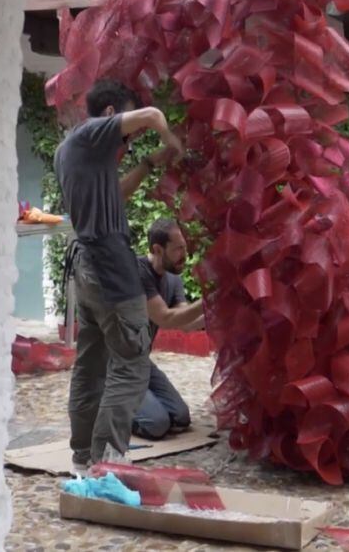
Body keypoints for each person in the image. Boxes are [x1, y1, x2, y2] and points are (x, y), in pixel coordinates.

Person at [55, 79, 183, 472]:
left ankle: (83, 458)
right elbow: (153, 115)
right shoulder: (93, 133)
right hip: (110, 269)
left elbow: (117, 193)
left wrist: (150, 163)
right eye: (127, 139)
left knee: (91, 364)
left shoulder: (73, 152)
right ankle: (107, 462)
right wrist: (173, 140)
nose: (126, 147)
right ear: (112, 115)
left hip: (86, 268)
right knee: (131, 364)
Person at [132, 218, 205, 440]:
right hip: (115, 364)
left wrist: (220, 313)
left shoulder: (173, 277)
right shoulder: (136, 271)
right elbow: (164, 318)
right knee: (157, 424)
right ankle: (104, 405)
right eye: (178, 249)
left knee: (181, 417)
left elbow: (183, 322)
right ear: (157, 249)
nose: (185, 254)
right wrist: (210, 300)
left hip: (141, 361)